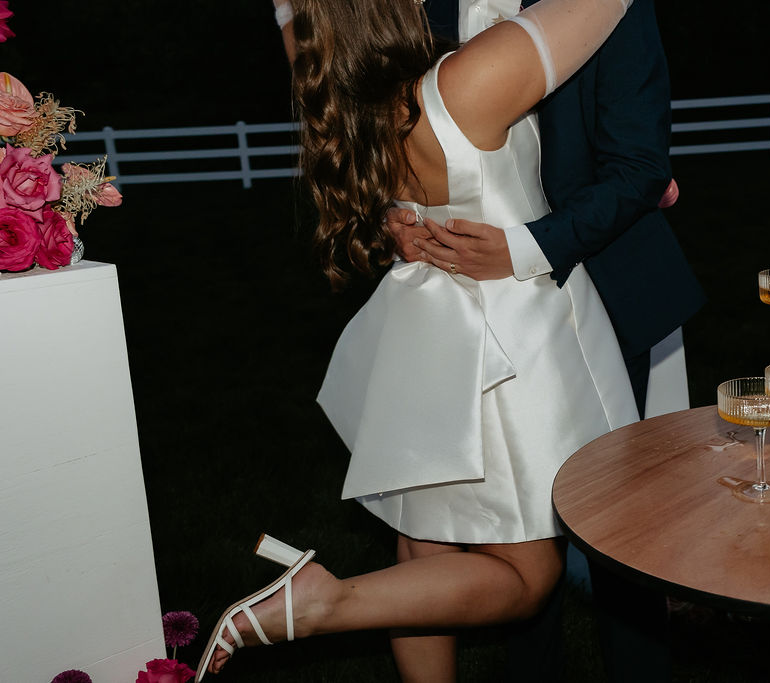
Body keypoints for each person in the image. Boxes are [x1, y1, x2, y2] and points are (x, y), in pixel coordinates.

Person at [198, 0, 652, 680]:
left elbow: (296, 24)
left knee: (423, 550)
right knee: (529, 578)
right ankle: (328, 599)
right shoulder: (466, 81)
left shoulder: (340, 90)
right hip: (510, 338)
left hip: (418, 325)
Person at [390, 2, 705, 681]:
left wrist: (525, 248)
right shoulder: (416, 7)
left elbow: (638, 166)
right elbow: (391, 130)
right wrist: (397, 216)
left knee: (627, 534)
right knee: (515, 529)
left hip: (607, 281)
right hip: (466, 307)